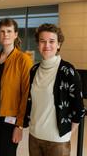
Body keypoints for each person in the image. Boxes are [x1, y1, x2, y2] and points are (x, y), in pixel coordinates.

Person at [23, 23, 85, 156]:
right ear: (38, 44)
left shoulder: (67, 70)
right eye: (42, 41)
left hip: (57, 141)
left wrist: (66, 134)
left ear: (59, 44)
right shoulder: (34, 70)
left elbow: (79, 109)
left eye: (52, 41)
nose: (47, 45)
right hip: (34, 137)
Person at [0, 18, 33, 156]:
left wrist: (20, 125)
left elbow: (26, 94)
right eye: (2, 31)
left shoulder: (23, 59)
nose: (5, 34)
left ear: (16, 34)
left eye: (9, 31)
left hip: (9, 119)